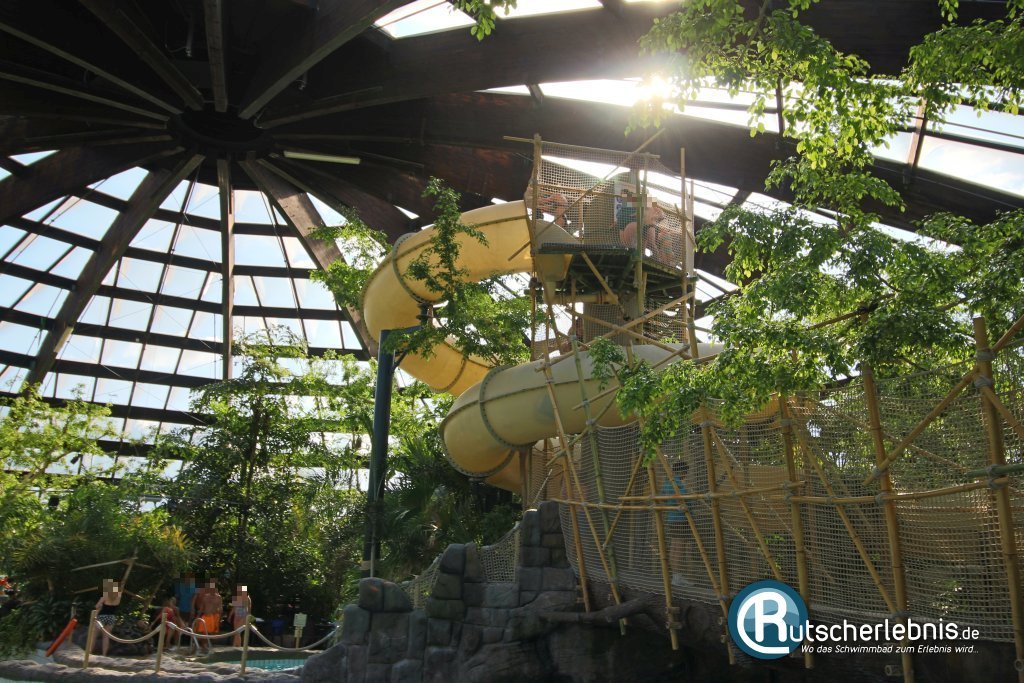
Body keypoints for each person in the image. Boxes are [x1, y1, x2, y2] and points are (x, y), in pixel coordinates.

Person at [660, 460, 695, 587]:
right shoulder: (677, 483)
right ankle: (677, 578)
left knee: (674, 548)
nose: (686, 475)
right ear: (682, 471)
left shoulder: (667, 483)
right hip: (681, 520)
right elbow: (683, 500)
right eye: (685, 472)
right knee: (679, 549)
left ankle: (676, 576)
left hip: (671, 519)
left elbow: (664, 498)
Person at [94, 578, 123, 657]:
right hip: (112, 617)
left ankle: (89, 653)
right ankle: (104, 654)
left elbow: (97, 606)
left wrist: (100, 605)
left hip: (102, 617)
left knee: (94, 635)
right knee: (106, 636)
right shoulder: (118, 596)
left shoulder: (105, 596)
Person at [192, 579, 222, 654]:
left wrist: (219, 618)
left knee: (208, 633)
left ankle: (204, 646)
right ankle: (200, 646)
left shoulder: (218, 597)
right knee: (200, 632)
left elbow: (220, 608)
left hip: (213, 618)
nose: (212, 589)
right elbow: (202, 608)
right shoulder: (206, 597)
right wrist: (197, 617)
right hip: (205, 617)